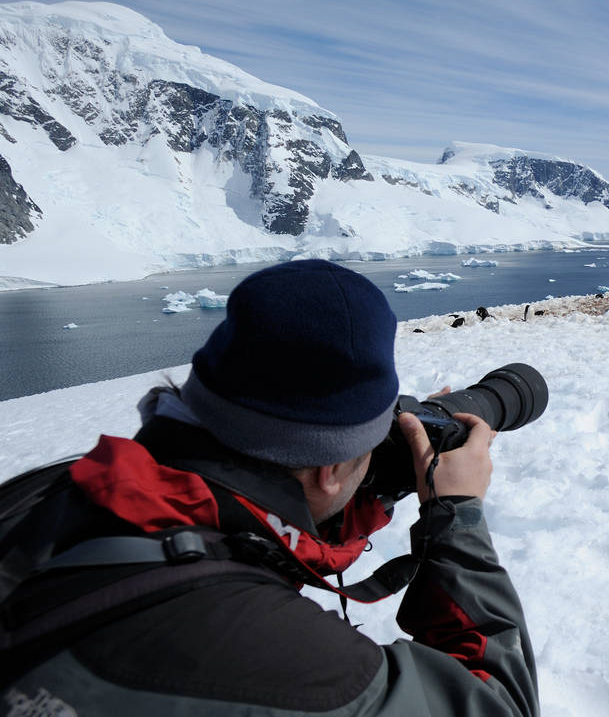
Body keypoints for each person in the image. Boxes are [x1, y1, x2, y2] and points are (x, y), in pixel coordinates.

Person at [0, 260, 538, 715]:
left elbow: (261, 510)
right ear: (329, 470)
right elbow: (500, 703)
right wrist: (457, 514)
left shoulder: (52, 495)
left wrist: (374, 477)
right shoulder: (271, 650)